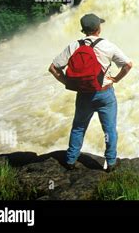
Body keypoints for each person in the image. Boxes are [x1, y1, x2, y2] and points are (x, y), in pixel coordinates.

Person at [48, 13, 132, 172]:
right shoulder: (108, 46)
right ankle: (111, 163)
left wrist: (68, 82)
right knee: (109, 130)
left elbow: (53, 68)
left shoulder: (74, 46)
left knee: (78, 128)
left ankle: (71, 160)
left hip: (83, 95)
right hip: (105, 94)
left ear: (83, 30)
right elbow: (128, 65)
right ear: (98, 29)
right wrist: (116, 79)